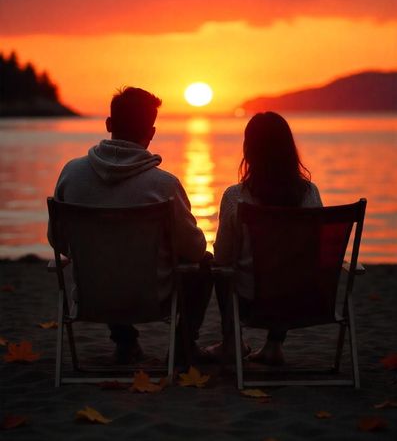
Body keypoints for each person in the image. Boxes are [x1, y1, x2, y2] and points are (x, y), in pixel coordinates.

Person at [49, 86, 212, 364]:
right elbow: (195, 249)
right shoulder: (164, 185)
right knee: (206, 262)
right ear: (151, 132)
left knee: (105, 256)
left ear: (109, 124)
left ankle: (125, 342)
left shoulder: (71, 174)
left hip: (93, 295)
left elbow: (58, 241)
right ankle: (184, 345)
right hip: (152, 298)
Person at [206, 111, 323, 364]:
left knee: (221, 268)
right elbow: (318, 249)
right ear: (290, 149)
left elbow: (224, 256)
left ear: (248, 151)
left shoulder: (236, 197)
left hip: (252, 303)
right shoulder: (310, 194)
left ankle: (231, 343)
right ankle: (273, 346)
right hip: (304, 302)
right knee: (289, 270)